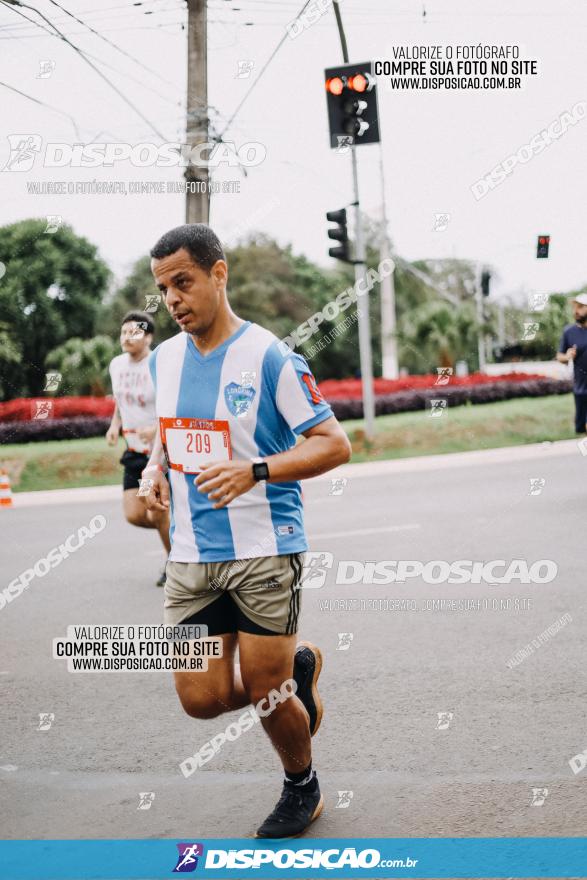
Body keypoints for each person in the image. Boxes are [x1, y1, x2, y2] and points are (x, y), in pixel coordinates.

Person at [142, 224, 351, 838]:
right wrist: (156, 468)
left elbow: (332, 444)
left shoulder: (269, 357)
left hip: (264, 546)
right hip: (191, 553)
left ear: (219, 273)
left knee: (265, 692)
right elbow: (167, 428)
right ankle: (301, 670)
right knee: (200, 699)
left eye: (183, 282)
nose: (174, 299)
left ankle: (301, 786)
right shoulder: (163, 359)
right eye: (163, 289)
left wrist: (256, 469)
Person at [106, 310, 171, 585]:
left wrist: (156, 429)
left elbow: (173, 405)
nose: (127, 337)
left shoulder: (159, 364)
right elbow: (121, 400)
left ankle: (176, 564)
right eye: (124, 332)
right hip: (133, 453)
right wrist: (114, 424)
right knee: (134, 514)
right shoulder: (116, 365)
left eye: (134, 332)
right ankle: (181, 531)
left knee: (154, 509)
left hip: (156, 455)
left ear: (149, 337)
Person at [557, 293, 587, 434]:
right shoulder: (569, 332)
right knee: (581, 428)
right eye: (574, 307)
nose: (576, 310)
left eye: (580, 307)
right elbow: (559, 357)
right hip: (580, 389)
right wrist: (567, 356)